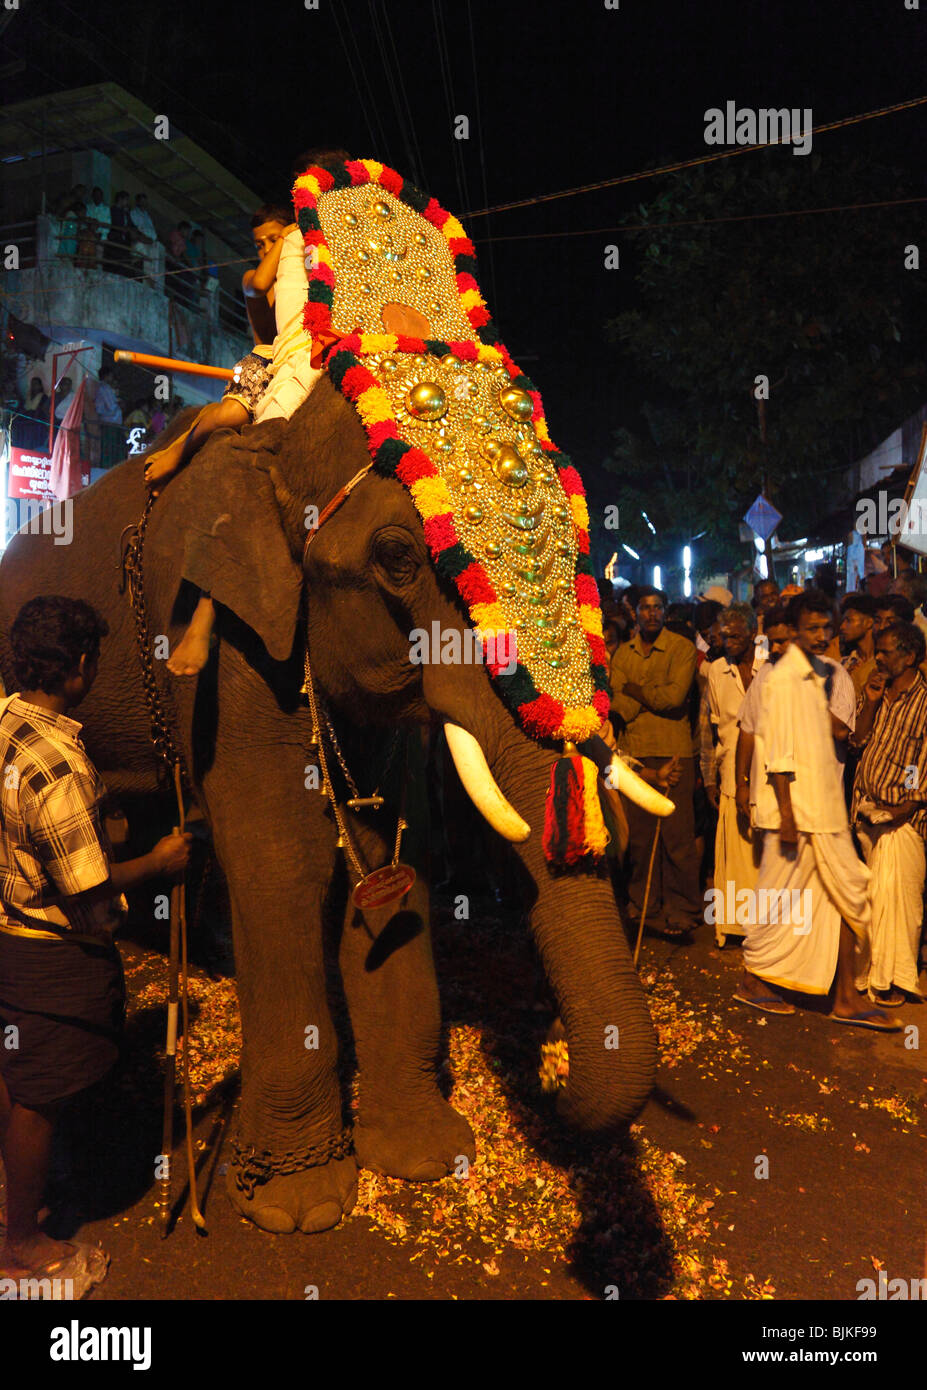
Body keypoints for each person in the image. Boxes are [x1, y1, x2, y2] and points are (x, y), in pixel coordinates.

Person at [0, 597, 191, 1294]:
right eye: (95, 661)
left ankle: (9, 1201)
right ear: (79, 666)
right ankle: (18, 1242)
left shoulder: (6, 722)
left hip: (8, 938)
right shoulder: (56, 767)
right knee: (41, 1097)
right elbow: (89, 894)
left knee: (16, 1071)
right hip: (52, 949)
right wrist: (161, 862)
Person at [734, 589, 898, 1030]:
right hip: (795, 813)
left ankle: (843, 994)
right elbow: (780, 754)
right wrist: (786, 816)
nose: (822, 635)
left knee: (848, 892)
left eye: (827, 626)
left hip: (825, 810)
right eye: (812, 628)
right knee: (779, 904)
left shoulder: (828, 674)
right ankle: (755, 980)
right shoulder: (784, 679)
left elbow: (844, 735)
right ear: (794, 632)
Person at [610, 586, 702, 938]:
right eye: (645, 608)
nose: (651, 613)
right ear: (635, 613)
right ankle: (645, 903)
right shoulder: (623, 654)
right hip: (635, 752)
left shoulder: (681, 648)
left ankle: (684, 909)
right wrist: (643, 694)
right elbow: (619, 700)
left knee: (677, 837)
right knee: (640, 838)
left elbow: (673, 698)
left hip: (673, 749)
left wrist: (635, 691)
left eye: (657, 607)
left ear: (665, 612)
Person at [850, 621, 927, 1006]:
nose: (878, 657)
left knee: (898, 899)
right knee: (873, 897)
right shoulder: (879, 690)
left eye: (886, 651)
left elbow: (921, 760)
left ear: (910, 656)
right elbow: (858, 740)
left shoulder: (925, 701)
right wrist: (872, 701)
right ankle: (870, 973)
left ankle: (893, 978)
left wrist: (907, 804)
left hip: (904, 820)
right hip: (866, 811)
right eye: (877, 651)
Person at [703, 604, 760, 946]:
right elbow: (711, 727)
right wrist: (710, 776)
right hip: (729, 773)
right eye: (723, 637)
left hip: (768, 773)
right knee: (737, 855)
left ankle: (766, 926)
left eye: (736, 636)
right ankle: (738, 928)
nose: (728, 642)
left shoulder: (769, 665)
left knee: (763, 855)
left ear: (752, 633)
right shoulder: (715, 671)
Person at [838, 593, 877, 698]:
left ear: (869, 623)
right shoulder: (844, 663)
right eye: (843, 621)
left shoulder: (882, 664)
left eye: (849, 620)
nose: (842, 627)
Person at [129, 193, 159, 284]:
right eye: (142, 201)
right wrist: (146, 239)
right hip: (140, 241)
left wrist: (153, 240)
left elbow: (152, 230)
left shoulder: (147, 215)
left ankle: (153, 280)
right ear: (137, 202)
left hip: (150, 242)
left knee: (155, 255)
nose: (144, 203)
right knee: (142, 256)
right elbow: (136, 229)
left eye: (145, 201)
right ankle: (143, 279)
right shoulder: (133, 213)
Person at [105, 191, 132, 276]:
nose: (127, 202)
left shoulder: (126, 213)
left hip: (124, 242)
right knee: (115, 266)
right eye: (126, 200)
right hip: (115, 241)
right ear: (120, 199)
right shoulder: (113, 210)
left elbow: (131, 224)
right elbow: (116, 224)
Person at [84, 187, 110, 266]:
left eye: (99, 195)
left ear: (102, 196)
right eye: (95, 195)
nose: (97, 197)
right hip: (88, 237)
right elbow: (85, 221)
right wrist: (92, 232)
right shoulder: (88, 207)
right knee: (86, 260)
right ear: (92, 196)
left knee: (98, 261)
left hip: (101, 238)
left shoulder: (106, 209)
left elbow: (108, 224)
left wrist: (100, 233)